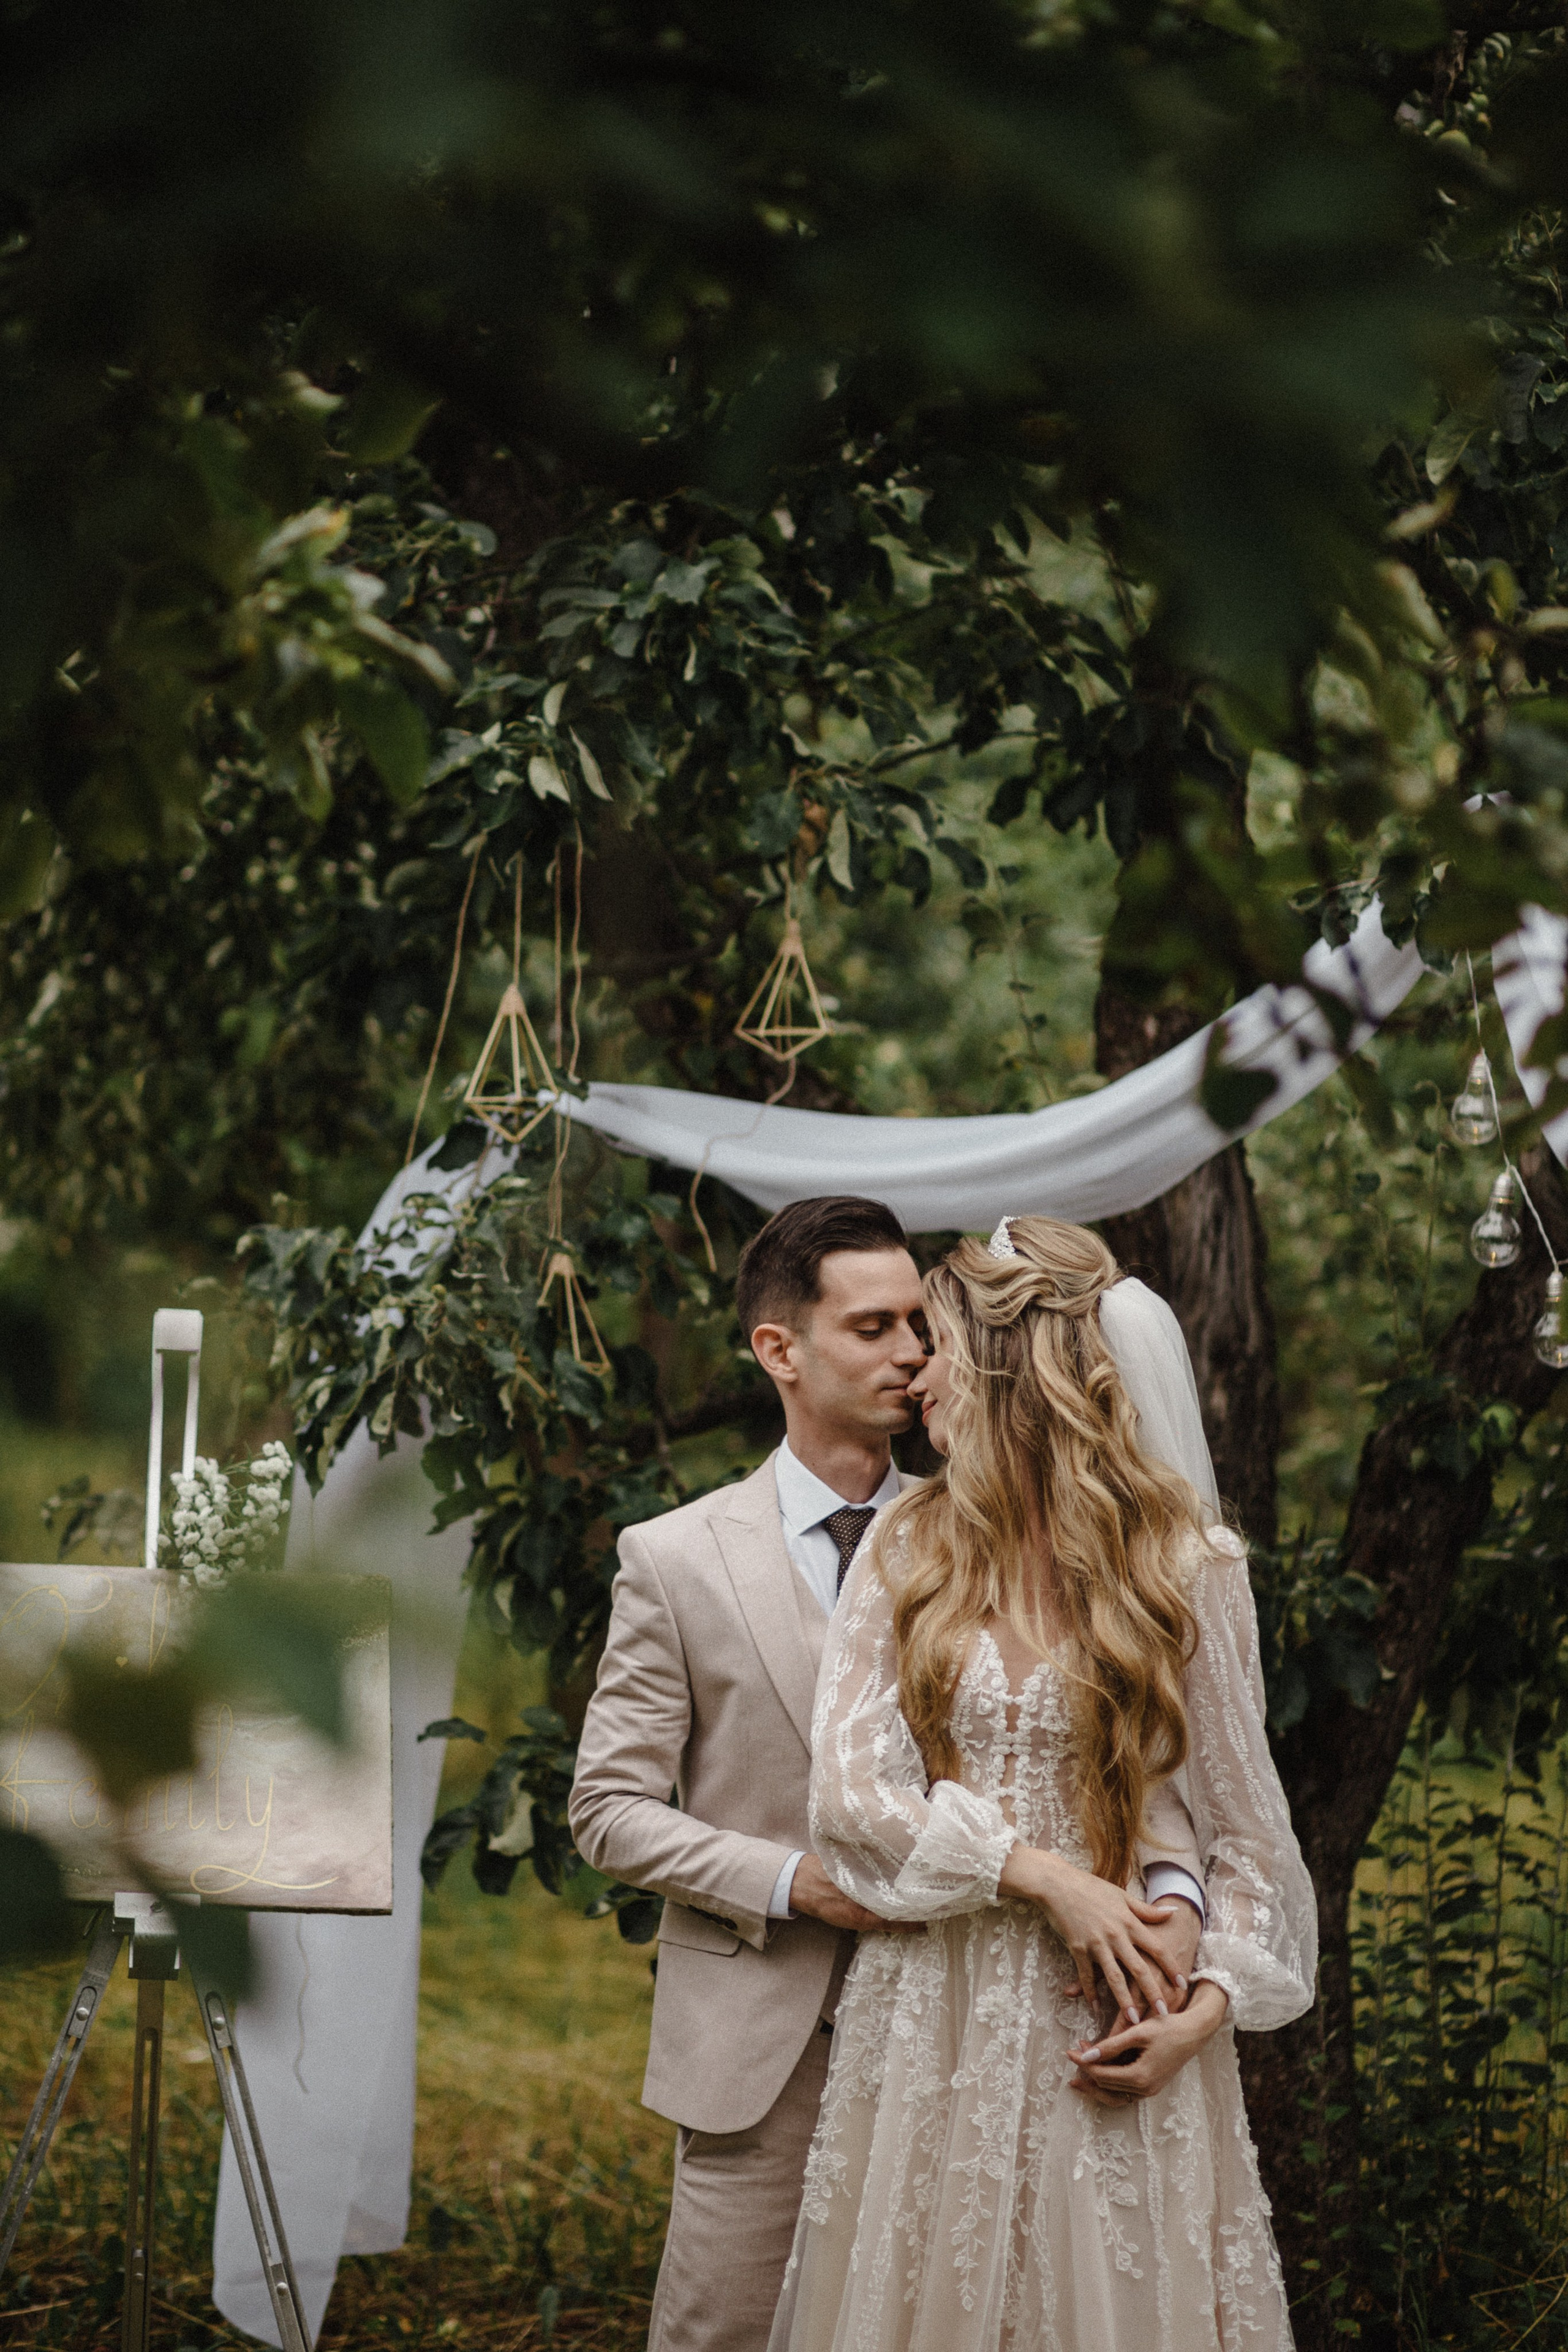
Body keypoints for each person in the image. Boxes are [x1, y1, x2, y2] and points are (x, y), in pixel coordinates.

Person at [568, 1197, 1206, 2352]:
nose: (914, 1352)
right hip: (768, 2040)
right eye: (874, 1327)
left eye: (924, 1322)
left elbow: (1139, 1772)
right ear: (780, 1351)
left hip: (973, 2038)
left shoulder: (998, 1538)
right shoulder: (675, 1559)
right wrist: (795, 1883)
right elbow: (609, 1812)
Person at [769, 1216, 1317, 2352]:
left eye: (943, 1341)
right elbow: (852, 1795)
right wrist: (1045, 1879)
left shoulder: (1189, 1569)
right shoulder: (908, 1544)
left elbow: (1252, 1846)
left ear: (1015, 1372)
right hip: (932, 2013)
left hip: (1114, 2019)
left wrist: (1201, 2018)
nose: (918, 1367)